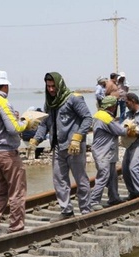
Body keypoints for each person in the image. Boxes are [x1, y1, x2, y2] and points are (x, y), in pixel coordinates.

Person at [0, 70, 34, 237]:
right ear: (5, 85)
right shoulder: (2, 102)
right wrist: (26, 122)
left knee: (2, 189)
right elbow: (14, 128)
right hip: (6, 154)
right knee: (17, 190)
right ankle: (16, 226)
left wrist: (14, 119)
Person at [34, 72, 93, 221]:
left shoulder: (73, 99)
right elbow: (44, 123)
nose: (51, 90)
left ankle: (86, 210)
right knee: (59, 179)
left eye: (54, 86)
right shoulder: (49, 103)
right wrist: (36, 139)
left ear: (60, 85)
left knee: (81, 179)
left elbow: (87, 118)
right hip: (58, 147)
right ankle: (66, 210)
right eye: (48, 87)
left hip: (74, 147)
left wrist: (78, 137)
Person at [89, 96, 126, 211]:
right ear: (112, 106)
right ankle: (94, 201)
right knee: (103, 175)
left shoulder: (98, 114)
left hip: (107, 151)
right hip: (103, 152)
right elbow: (120, 131)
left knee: (113, 175)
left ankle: (114, 197)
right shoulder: (105, 117)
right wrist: (129, 127)